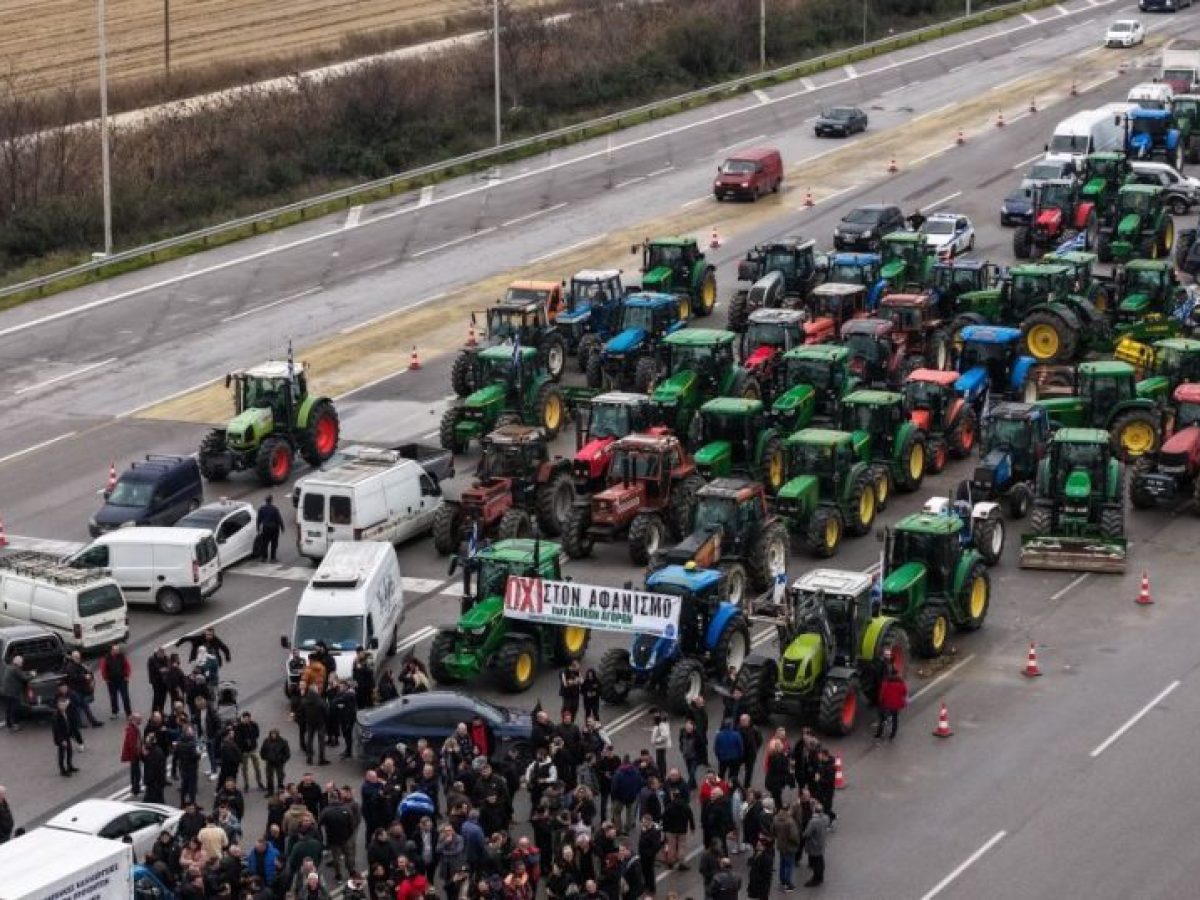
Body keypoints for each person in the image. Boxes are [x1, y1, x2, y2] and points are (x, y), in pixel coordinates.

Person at [64, 650, 103, 727]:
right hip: (75, 690)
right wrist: (84, 677)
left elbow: (86, 672)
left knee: (85, 707)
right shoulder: (70, 667)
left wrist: (88, 673)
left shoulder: (79, 665)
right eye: (76, 657)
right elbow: (74, 677)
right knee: (79, 707)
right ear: (73, 657)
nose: (78, 659)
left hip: (80, 690)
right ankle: (83, 723)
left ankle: (92, 722)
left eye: (79, 657)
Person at [876, 658, 908, 741]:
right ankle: (893, 734)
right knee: (895, 719)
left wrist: (880, 702)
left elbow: (881, 694)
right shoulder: (901, 683)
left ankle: (879, 734)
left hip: (886, 703)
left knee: (882, 718)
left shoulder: (886, 683)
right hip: (896, 704)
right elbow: (904, 692)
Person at [99, 644, 133, 719]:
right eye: (116, 650)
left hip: (122, 680)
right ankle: (114, 712)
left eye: (118, 649)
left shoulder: (122, 656)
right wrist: (106, 678)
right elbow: (103, 669)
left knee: (125, 697)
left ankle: (129, 713)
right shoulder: (106, 658)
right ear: (112, 650)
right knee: (113, 697)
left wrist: (127, 676)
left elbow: (127, 666)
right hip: (111, 681)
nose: (117, 651)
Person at [235, 711, 266, 791]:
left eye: (247, 718)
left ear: (249, 718)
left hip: (253, 749)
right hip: (244, 751)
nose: (246, 720)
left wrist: (250, 737)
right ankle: (246, 784)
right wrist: (244, 740)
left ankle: (259, 782)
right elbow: (237, 738)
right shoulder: (239, 726)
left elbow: (257, 734)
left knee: (257, 768)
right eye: (244, 718)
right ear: (242, 718)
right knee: (244, 769)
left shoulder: (254, 725)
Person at [801, 801, 829, 887]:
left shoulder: (814, 821)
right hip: (821, 842)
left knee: (817, 861)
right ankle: (820, 877)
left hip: (814, 844)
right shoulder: (825, 817)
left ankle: (816, 879)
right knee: (820, 859)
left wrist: (802, 834)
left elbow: (807, 833)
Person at [2, 655, 33, 731]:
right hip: (13, 693)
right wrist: (32, 675)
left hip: (6, 692)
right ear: (18, 662)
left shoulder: (9, 667)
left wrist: (27, 672)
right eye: (21, 662)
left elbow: (20, 674)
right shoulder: (16, 669)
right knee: (15, 709)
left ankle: (9, 724)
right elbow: (24, 678)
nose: (22, 664)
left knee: (8, 709)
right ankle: (15, 725)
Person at [261, 727, 291, 794]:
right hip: (269, 762)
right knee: (269, 777)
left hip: (279, 762)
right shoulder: (266, 741)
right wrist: (265, 757)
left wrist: (283, 760)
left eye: (274, 734)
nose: (273, 735)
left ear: (277, 734)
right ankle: (270, 791)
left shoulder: (283, 741)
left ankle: (280, 791)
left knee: (280, 777)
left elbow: (287, 753)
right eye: (272, 734)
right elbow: (262, 751)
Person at [52, 698, 77, 776]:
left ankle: (69, 766)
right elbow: (56, 730)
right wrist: (62, 740)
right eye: (61, 705)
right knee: (62, 754)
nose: (63, 707)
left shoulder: (67, 712)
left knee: (70, 751)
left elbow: (69, 724)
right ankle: (62, 770)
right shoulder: (56, 716)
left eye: (64, 704)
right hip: (61, 738)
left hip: (67, 736)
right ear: (58, 706)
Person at [121, 713, 144, 795]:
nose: (141, 721)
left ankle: (135, 788)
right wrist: (138, 753)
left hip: (134, 755)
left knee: (135, 772)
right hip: (134, 755)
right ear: (134, 720)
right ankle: (135, 789)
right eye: (139, 720)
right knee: (136, 773)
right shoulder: (132, 730)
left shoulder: (133, 728)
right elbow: (132, 744)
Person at [713, 720, 743, 785]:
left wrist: (718, 756)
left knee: (721, 773)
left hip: (723, 758)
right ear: (731, 726)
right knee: (733, 775)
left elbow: (716, 748)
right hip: (734, 758)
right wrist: (740, 757)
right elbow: (740, 747)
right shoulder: (736, 735)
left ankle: (720, 785)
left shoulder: (719, 735)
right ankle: (731, 786)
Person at [257, 495, 285, 562]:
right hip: (274, 529)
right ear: (271, 500)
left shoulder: (261, 509)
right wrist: (282, 527)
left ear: (265, 501)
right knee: (274, 543)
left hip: (266, 528)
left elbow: (259, 519)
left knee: (265, 543)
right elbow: (279, 519)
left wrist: (258, 527)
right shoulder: (275, 509)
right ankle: (273, 558)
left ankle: (264, 557)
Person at [649, 712, 671, 778]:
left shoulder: (662, 726)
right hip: (660, 746)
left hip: (661, 746)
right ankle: (662, 773)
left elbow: (665, 736)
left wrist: (656, 741)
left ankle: (662, 774)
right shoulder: (660, 725)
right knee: (660, 760)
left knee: (660, 761)